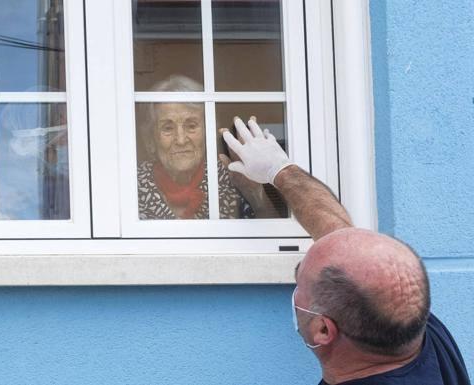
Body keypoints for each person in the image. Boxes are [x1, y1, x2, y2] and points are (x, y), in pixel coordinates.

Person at [222, 117, 471, 385]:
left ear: (323, 329)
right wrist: (279, 170)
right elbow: (342, 241)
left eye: (300, 284)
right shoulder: (420, 338)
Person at [137, 75, 281, 219]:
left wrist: (255, 193)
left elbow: (276, 236)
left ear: (208, 133)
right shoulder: (132, 183)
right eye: (167, 128)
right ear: (150, 138)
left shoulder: (230, 176)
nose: (180, 140)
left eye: (191, 126)